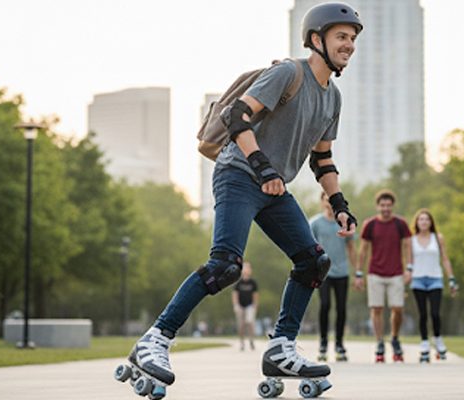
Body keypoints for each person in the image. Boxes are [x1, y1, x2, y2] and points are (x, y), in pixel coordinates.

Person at [125, 2, 362, 393]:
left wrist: (340, 205)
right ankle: (155, 339)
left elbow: (322, 159)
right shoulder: (289, 73)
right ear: (316, 40)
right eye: (341, 37)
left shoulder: (332, 98)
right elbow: (238, 116)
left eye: (352, 39)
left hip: (274, 188)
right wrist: (263, 167)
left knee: (313, 262)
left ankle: (281, 348)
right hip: (238, 175)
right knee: (226, 266)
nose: (349, 45)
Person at [354, 190, 412, 363]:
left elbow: (407, 246)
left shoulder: (400, 224)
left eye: (388, 205)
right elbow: (363, 250)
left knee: (398, 308)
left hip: (396, 273)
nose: (385, 208)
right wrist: (358, 273)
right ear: (377, 206)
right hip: (375, 273)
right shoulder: (370, 225)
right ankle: (379, 342)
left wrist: (409, 268)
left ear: (392, 206)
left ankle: (394, 338)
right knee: (376, 309)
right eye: (382, 205)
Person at [310, 191, 357, 362]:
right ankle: (323, 343)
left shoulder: (344, 223)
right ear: (322, 202)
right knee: (325, 305)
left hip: (342, 271)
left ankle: (339, 344)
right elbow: (309, 248)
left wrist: (357, 272)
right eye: (326, 200)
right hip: (323, 272)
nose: (330, 204)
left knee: (341, 308)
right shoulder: (315, 223)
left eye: (332, 201)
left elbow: (351, 248)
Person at [407, 209, 457, 363]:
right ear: (417, 222)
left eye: (426, 219)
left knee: (435, 313)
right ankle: (424, 344)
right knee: (423, 314)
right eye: (421, 219)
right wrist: (404, 282)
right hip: (418, 279)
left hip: (435, 278)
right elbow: (409, 262)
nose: (423, 222)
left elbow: (445, 259)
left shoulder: (438, 238)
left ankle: (438, 340)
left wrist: (452, 279)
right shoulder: (411, 239)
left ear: (431, 222)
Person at [232, 261, 259, 351]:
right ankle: (242, 342)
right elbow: (235, 294)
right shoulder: (238, 283)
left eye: (248, 268)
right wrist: (236, 305)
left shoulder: (253, 283)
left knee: (250, 323)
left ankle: (251, 341)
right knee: (241, 325)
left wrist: (255, 305)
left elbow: (255, 295)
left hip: (250, 306)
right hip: (240, 306)